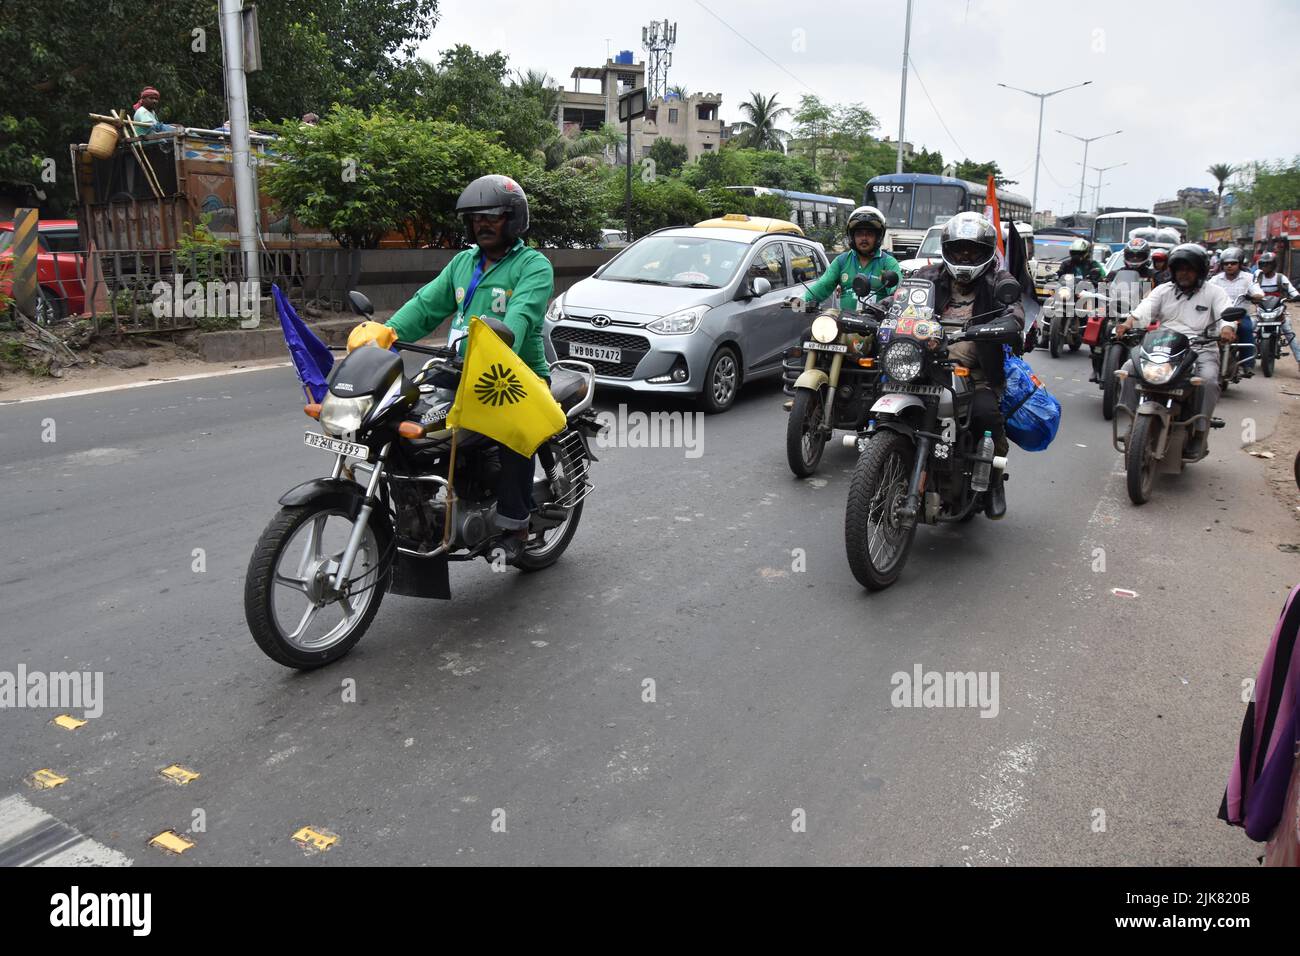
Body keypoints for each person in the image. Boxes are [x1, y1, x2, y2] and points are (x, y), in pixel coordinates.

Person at [347, 174, 554, 562]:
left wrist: (502, 337)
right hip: (458, 366)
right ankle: (418, 504)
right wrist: (387, 333)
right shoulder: (463, 263)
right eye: (475, 219)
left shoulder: (533, 266)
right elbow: (427, 306)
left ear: (513, 219)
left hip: (513, 375)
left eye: (492, 216)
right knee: (398, 413)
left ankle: (516, 524)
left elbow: (521, 315)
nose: (483, 225)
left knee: (513, 434)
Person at [913, 212, 1025, 517]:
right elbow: (901, 301)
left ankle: (993, 478)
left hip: (974, 374)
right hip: (924, 366)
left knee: (987, 415)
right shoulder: (928, 277)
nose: (964, 255)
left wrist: (1007, 324)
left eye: (972, 250)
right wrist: (879, 312)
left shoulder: (999, 281)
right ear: (947, 249)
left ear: (985, 252)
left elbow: (1015, 311)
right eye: (959, 248)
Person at [1113, 244, 1237, 458]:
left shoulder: (1214, 292)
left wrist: (1227, 328)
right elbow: (1144, 310)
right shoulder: (1163, 290)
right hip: (1164, 345)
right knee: (1128, 369)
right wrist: (1127, 324)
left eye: (1189, 269)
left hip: (1201, 348)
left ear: (1200, 271)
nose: (1184, 273)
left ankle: (1199, 433)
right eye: (1179, 269)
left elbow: (1226, 314)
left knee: (1207, 382)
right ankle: (1134, 420)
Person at [786, 205, 901, 312]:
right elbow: (823, 285)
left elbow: (898, 294)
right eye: (859, 233)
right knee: (810, 333)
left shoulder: (888, 262)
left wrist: (890, 301)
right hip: (844, 325)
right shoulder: (842, 261)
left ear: (878, 236)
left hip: (877, 326)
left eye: (869, 233)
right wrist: (800, 302)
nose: (864, 238)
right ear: (852, 236)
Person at [1208, 246, 1257, 373]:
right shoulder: (1215, 279)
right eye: (1226, 263)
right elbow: (1207, 291)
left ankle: (1247, 364)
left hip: (1240, 315)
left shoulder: (1248, 278)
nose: (1229, 266)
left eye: (1233, 263)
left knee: (1246, 329)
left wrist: (1256, 295)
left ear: (1239, 264)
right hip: (1219, 315)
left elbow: (1257, 290)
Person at [1250, 252, 1300, 370]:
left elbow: (1292, 290)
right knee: (1250, 330)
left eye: (1267, 264)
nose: (1264, 267)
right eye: (1263, 264)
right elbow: (1251, 289)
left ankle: (1299, 360)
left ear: (1273, 265)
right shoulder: (1258, 277)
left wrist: (1295, 296)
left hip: (1278, 311)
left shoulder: (1280, 278)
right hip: (1261, 311)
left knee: (1289, 333)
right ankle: (1244, 359)